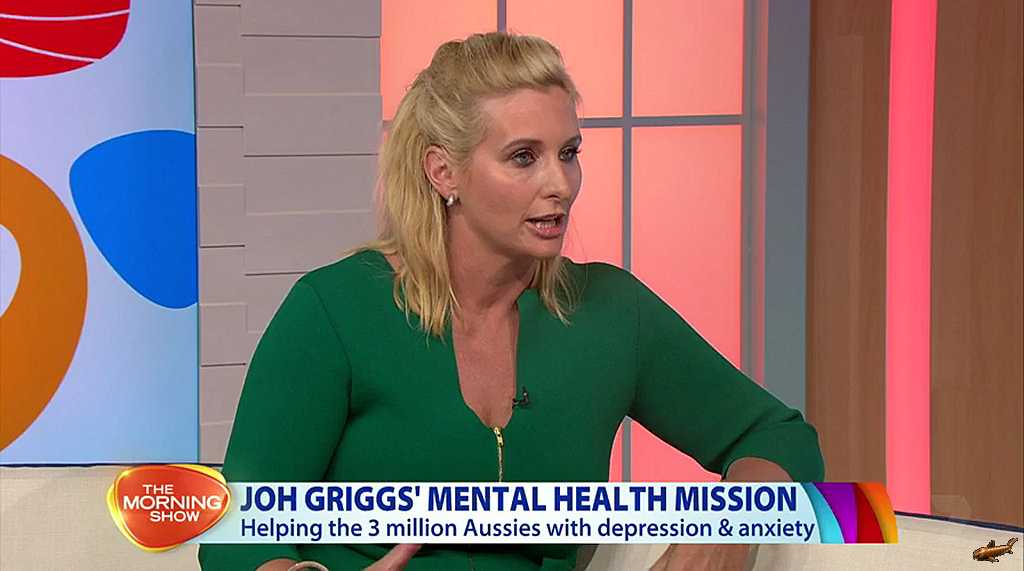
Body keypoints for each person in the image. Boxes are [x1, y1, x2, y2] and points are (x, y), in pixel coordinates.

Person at [198, 32, 824, 571]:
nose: (560, 185)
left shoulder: (612, 312)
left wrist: (732, 526)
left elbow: (780, 437)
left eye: (569, 153)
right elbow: (236, 526)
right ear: (443, 172)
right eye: (524, 157)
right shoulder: (333, 312)